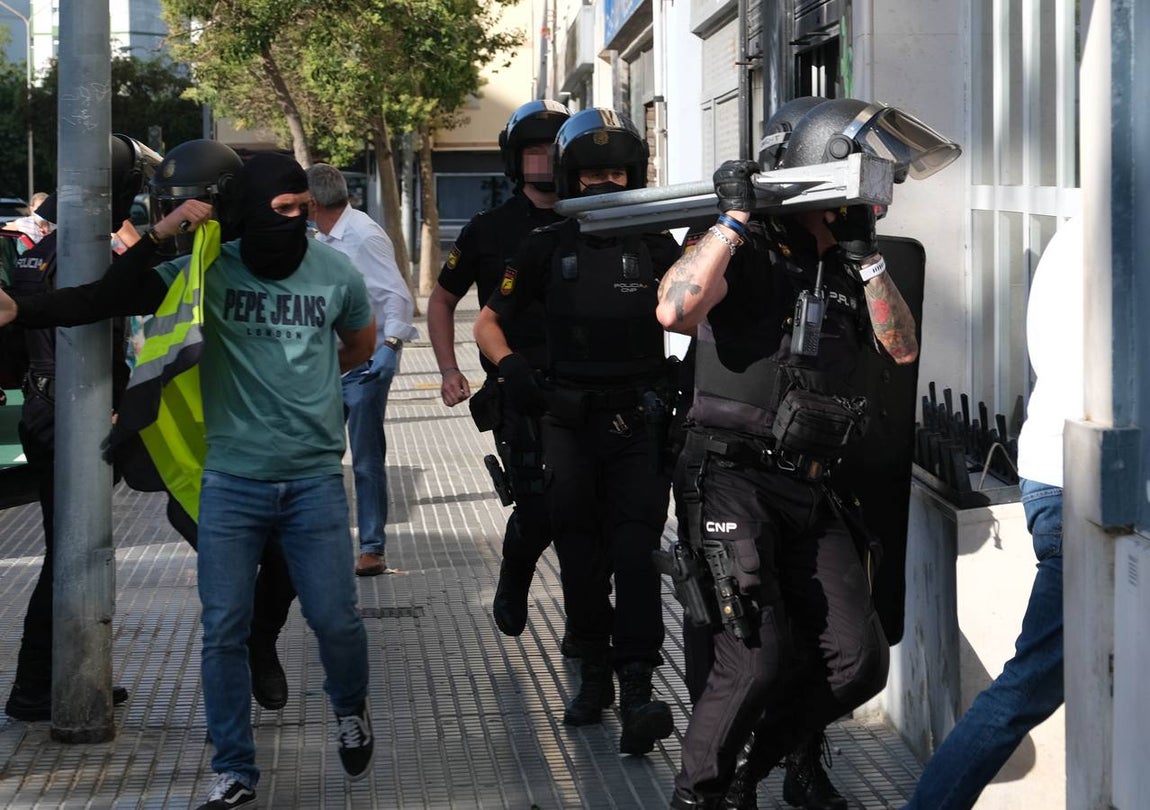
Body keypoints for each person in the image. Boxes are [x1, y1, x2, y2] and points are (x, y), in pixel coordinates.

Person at [0, 150, 377, 810]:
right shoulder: (206, 273)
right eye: (278, 211)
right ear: (246, 214)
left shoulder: (336, 273)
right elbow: (105, 297)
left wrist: (305, 393)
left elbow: (360, 345)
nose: (292, 222)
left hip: (314, 480)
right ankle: (234, 768)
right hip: (231, 481)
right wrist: (157, 234)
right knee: (222, 629)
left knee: (337, 621)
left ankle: (351, 707)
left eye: (300, 210)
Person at [658, 97, 940, 809]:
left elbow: (901, 348)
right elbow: (674, 310)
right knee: (754, 656)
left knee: (860, 660)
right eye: (863, 179)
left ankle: (752, 765)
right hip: (729, 475)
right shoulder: (740, 246)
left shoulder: (851, 266)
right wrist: (731, 218)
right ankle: (702, 795)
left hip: (811, 487)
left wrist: (866, 256)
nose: (877, 198)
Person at [474, 107, 683, 756]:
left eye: (616, 171)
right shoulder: (544, 245)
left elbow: (699, 309)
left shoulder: (655, 244)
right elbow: (487, 322)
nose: (604, 182)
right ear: (569, 177)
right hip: (567, 425)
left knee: (636, 555)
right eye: (591, 173)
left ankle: (640, 688)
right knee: (583, 562)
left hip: (639, 425)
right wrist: (512, 371)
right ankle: (594, 676)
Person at [900, 216, 1082, 810]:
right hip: (1087, 492)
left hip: (1056, 472)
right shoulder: (1122, 233)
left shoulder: (1079, 230)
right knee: (1027, 688)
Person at [2, 134, 157, 722]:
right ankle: (38, 685)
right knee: (70, 552)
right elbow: (107, 302)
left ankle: (65, 671)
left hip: (52, 410)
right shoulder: (83, 255)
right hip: (66, 413)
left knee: (71, 549)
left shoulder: (54, 246)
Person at [428, 98, 569, 636]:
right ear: (515, 160)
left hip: (591, 385)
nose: (546, 162)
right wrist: (448, 369)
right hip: (517, 388)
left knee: (592, 518)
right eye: (534, 152)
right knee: (537, 508)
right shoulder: (489, 228)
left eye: (554, 150)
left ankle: (589, 642)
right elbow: (442, 300)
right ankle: (514, 577)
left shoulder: (598, 217)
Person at [307, 162, 418, 577]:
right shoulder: (322, 236)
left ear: (313, 201)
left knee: (367, 459)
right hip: (328, 365)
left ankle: (372, 548)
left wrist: (390, 347)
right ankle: (324, 543)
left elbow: (397, 296)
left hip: (366, 365)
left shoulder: (363, 235)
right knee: (319, 458)